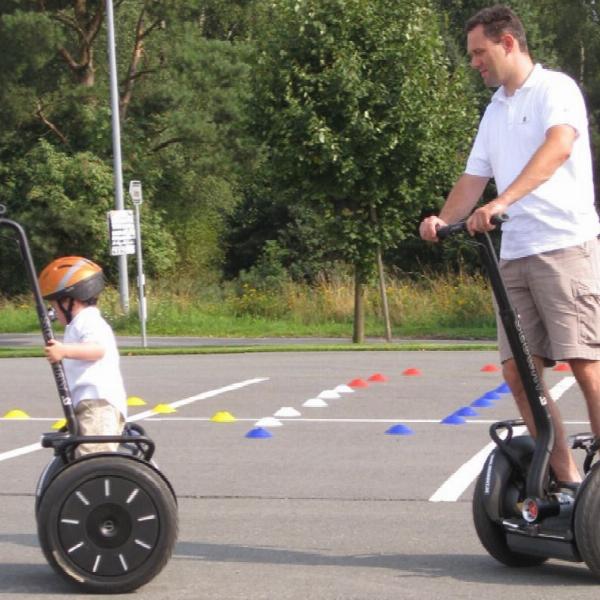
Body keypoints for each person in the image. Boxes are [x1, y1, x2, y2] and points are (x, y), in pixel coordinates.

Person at [419, 5, 600, 490]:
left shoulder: (554, 89)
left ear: (508, 43)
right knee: (519, 373)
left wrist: (501, 202)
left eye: (480, 52)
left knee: (585, 364)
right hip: (515, 254)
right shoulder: (495, 108)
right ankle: (568, 480)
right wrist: (444, 219)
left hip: (565, 245)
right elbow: (473, 177)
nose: (474, 62)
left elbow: (558, 148)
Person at [39, 256, 127, 457]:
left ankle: (94, 486)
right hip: (87, 404)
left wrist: (64, 351)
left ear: (69, 301)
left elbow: (98, 349)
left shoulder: (89, 320)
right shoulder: (78, 324)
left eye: (54, 306)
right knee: (79, 456)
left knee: (91, 458)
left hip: (99, 404)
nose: (53, 313)